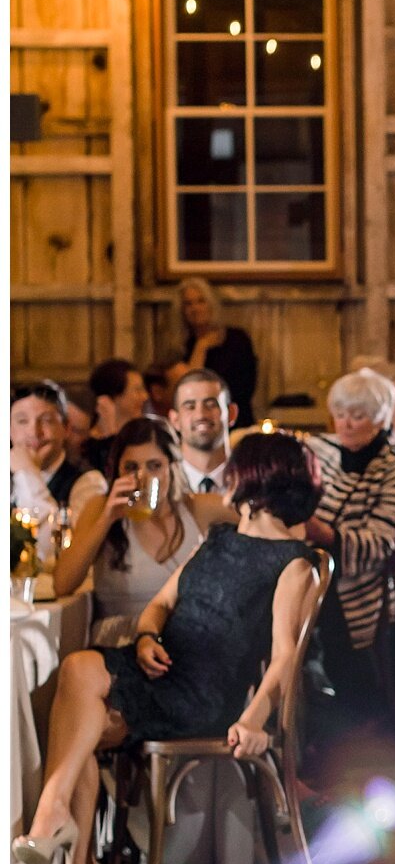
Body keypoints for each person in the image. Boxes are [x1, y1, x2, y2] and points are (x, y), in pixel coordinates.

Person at [10, 432, 319, 864]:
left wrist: (253, 720)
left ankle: (60, 833)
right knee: (80, 704)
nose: (225, 479)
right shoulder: (220, 540)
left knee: (77, 685)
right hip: (160, 669)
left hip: (204, 695)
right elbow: (159, 605)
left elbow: (284, 659)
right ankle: (75, 862)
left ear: (254, 483)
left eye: (233, 472)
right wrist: (147, 638)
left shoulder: (294, 564)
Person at [303, 371, 395, 713]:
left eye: (358, 416)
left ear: (381, 418)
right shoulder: (317, 449)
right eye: (340, 414)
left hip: (361, 583)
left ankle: (325, 711)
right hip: (309, 567)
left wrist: (321, 533)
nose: (346, 424)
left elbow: (382, 543)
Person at [54, 417, 225, 644]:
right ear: (117, 470)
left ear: (172, 467)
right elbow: (63, 584)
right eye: (131, 467)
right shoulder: (99, 507)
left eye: (154, 466)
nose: (142, 477)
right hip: (121, 639)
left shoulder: (196, 507)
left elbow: (261, 517)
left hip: (184, 637)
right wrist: (108, 517)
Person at [168, 275, 258, 422]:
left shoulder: (237, 340)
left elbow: (245, 389)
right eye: (188, 304)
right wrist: (200, 348)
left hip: (235, 419)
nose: (195, 308)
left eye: (200, 301)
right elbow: (187, 391)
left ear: (211, 304)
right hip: (197, 423)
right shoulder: (181, 347)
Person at [11, 381, 90, 511]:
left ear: (66, 428)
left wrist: (28, 473)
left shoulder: (87, 482)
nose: (34, 432)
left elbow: (51, 531)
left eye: (46, 420)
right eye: (22, 421)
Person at [168, 368, 237, 497]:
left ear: (232, 413)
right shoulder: (163, 485)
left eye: (211, 405)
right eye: (190, 406)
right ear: (174, 419)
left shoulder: (253, 479)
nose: (200, 415)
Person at [89, 359, 149, 449]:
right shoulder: (92, 443)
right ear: (114, 394)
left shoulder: (143, 435)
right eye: (137, 390)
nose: (145, 396)